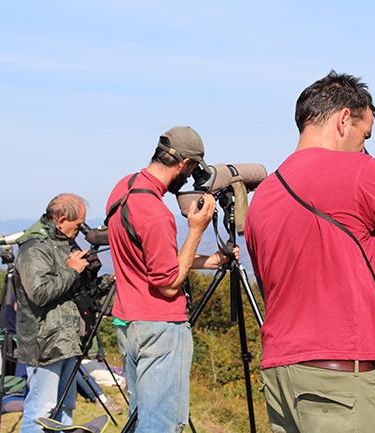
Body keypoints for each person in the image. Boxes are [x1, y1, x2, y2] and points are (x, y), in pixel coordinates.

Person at [245, 71, 375, 433]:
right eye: (364, 136)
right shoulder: (359, 171)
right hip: (339, 385)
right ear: (344, 119)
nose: (363, 148)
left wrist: (371, 253)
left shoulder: (265, 194)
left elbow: (292, 281)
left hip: (282, 376)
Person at [106, 126, 238, 433]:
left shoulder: (124, 188)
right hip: (159, 328)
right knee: (161, 424)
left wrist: (211, 260)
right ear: (186, 164)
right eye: (192, 171)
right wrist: (196, 230)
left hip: (128, 322)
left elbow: (151, 261)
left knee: (140, 417)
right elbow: (167, 284)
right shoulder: (155, 213)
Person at [15, 193, 89, 433]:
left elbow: (71, 290)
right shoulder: (34, 248)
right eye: (78, 225)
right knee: (41, 409)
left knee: (65, 407)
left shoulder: (63, 242)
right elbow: (39, 293)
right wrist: (73, 271)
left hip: (67, 338)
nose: (80, 230)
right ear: (61, 219)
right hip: (44, 342)